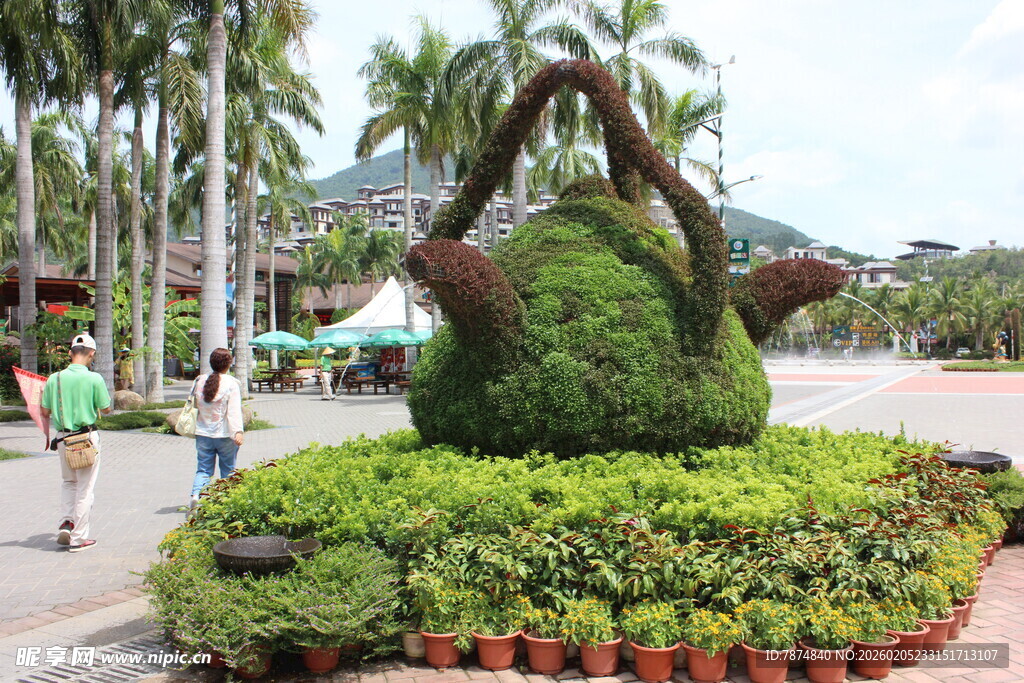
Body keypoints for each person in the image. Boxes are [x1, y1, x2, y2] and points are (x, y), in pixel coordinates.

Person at [40, 333, 112, 553]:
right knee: (85, 487)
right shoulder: (94, 378)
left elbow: (44, 411)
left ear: (70, 353)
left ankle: (66, 523)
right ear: (91, 354)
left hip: (63, 439)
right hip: (86, 438)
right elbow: (106, 409)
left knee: (68, 482)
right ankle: (79, 538)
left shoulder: (55, 379)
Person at [190, 348, 244, 508]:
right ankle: (225, 502)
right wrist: (238, 432)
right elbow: (234, 411)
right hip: (225, 434)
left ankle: (196, 495)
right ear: (229, 363)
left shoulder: (199, 380)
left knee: (203, 470)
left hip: (202, 433)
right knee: (228, 470)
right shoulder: (231, 383)